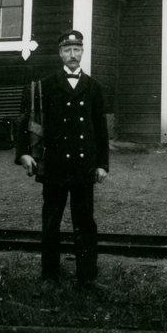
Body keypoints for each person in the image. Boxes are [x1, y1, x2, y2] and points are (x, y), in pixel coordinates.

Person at [16, 29, 109, 289]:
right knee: (51, 223)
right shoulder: (45, 85)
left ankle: (87, 277)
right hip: (54, 165)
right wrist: (24, 152)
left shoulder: (93, 87)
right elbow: (25, 121)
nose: (72, 54)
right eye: (67, 50)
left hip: (83, 166)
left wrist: (102, 164)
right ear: (60, 53)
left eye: (77, 49)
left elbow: (101, 130)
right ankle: (49, 276)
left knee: (85, 223)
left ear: (83, 52)